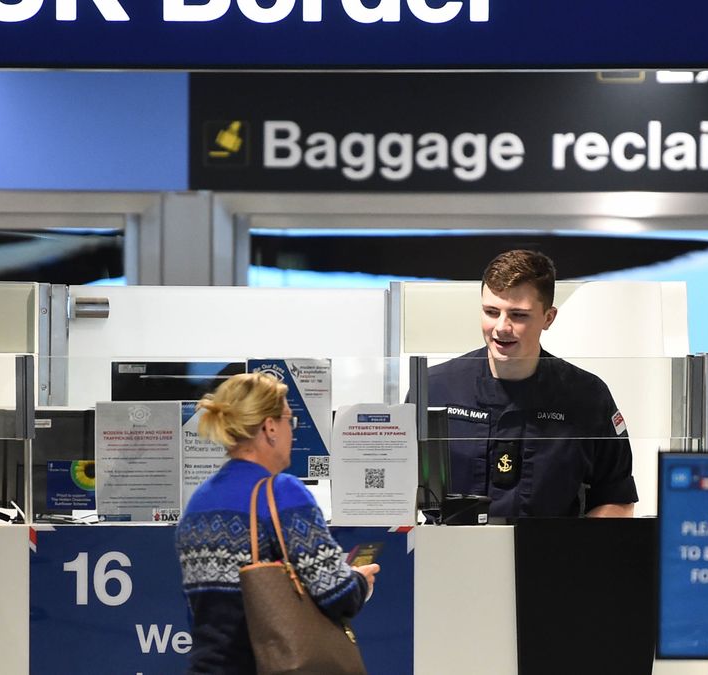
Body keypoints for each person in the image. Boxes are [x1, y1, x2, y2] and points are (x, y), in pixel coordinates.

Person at [175, 372, 380, 674]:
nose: (292, 432)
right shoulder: (283, 492)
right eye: (289, 420)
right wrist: (360, 581)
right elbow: (338, 595)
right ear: (270, 427)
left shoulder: (198, 502)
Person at [424, 249, 638, 518]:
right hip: (451, 555)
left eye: (518, 315)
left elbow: (617, 499)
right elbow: (397, 494)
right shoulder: (434, 389)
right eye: (491, 312)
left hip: (551, 556)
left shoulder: (588, 396)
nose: (501, 327)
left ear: (548, 318)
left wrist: (580, 555)